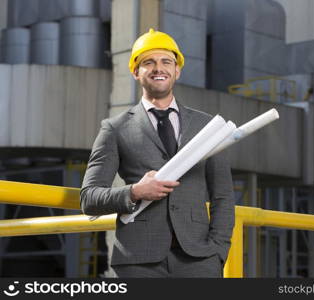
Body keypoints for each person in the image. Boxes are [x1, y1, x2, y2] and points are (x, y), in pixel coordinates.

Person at [80, 28, 235, 278]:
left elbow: (223, 196)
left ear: (177, 70)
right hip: (138, 262)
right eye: (148, 62)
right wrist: (134, 192)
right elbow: (89, 198)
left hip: (199, 260)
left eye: (166, 62)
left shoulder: (206, 127)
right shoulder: (114, 129)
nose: (158, 68)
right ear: (135, 71)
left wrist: (218, 251)